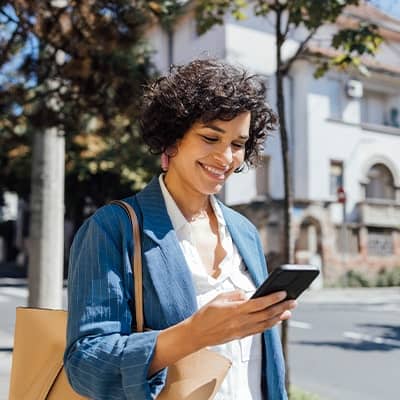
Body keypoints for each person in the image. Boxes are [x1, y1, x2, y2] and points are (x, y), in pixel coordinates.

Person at [64, 59, 296, 400]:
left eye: (237, 144)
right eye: (210, 137)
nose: (226, 157)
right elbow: (84, 364)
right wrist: (194, 334)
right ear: (172, 140)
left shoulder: (244, 231)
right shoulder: (112, 229)